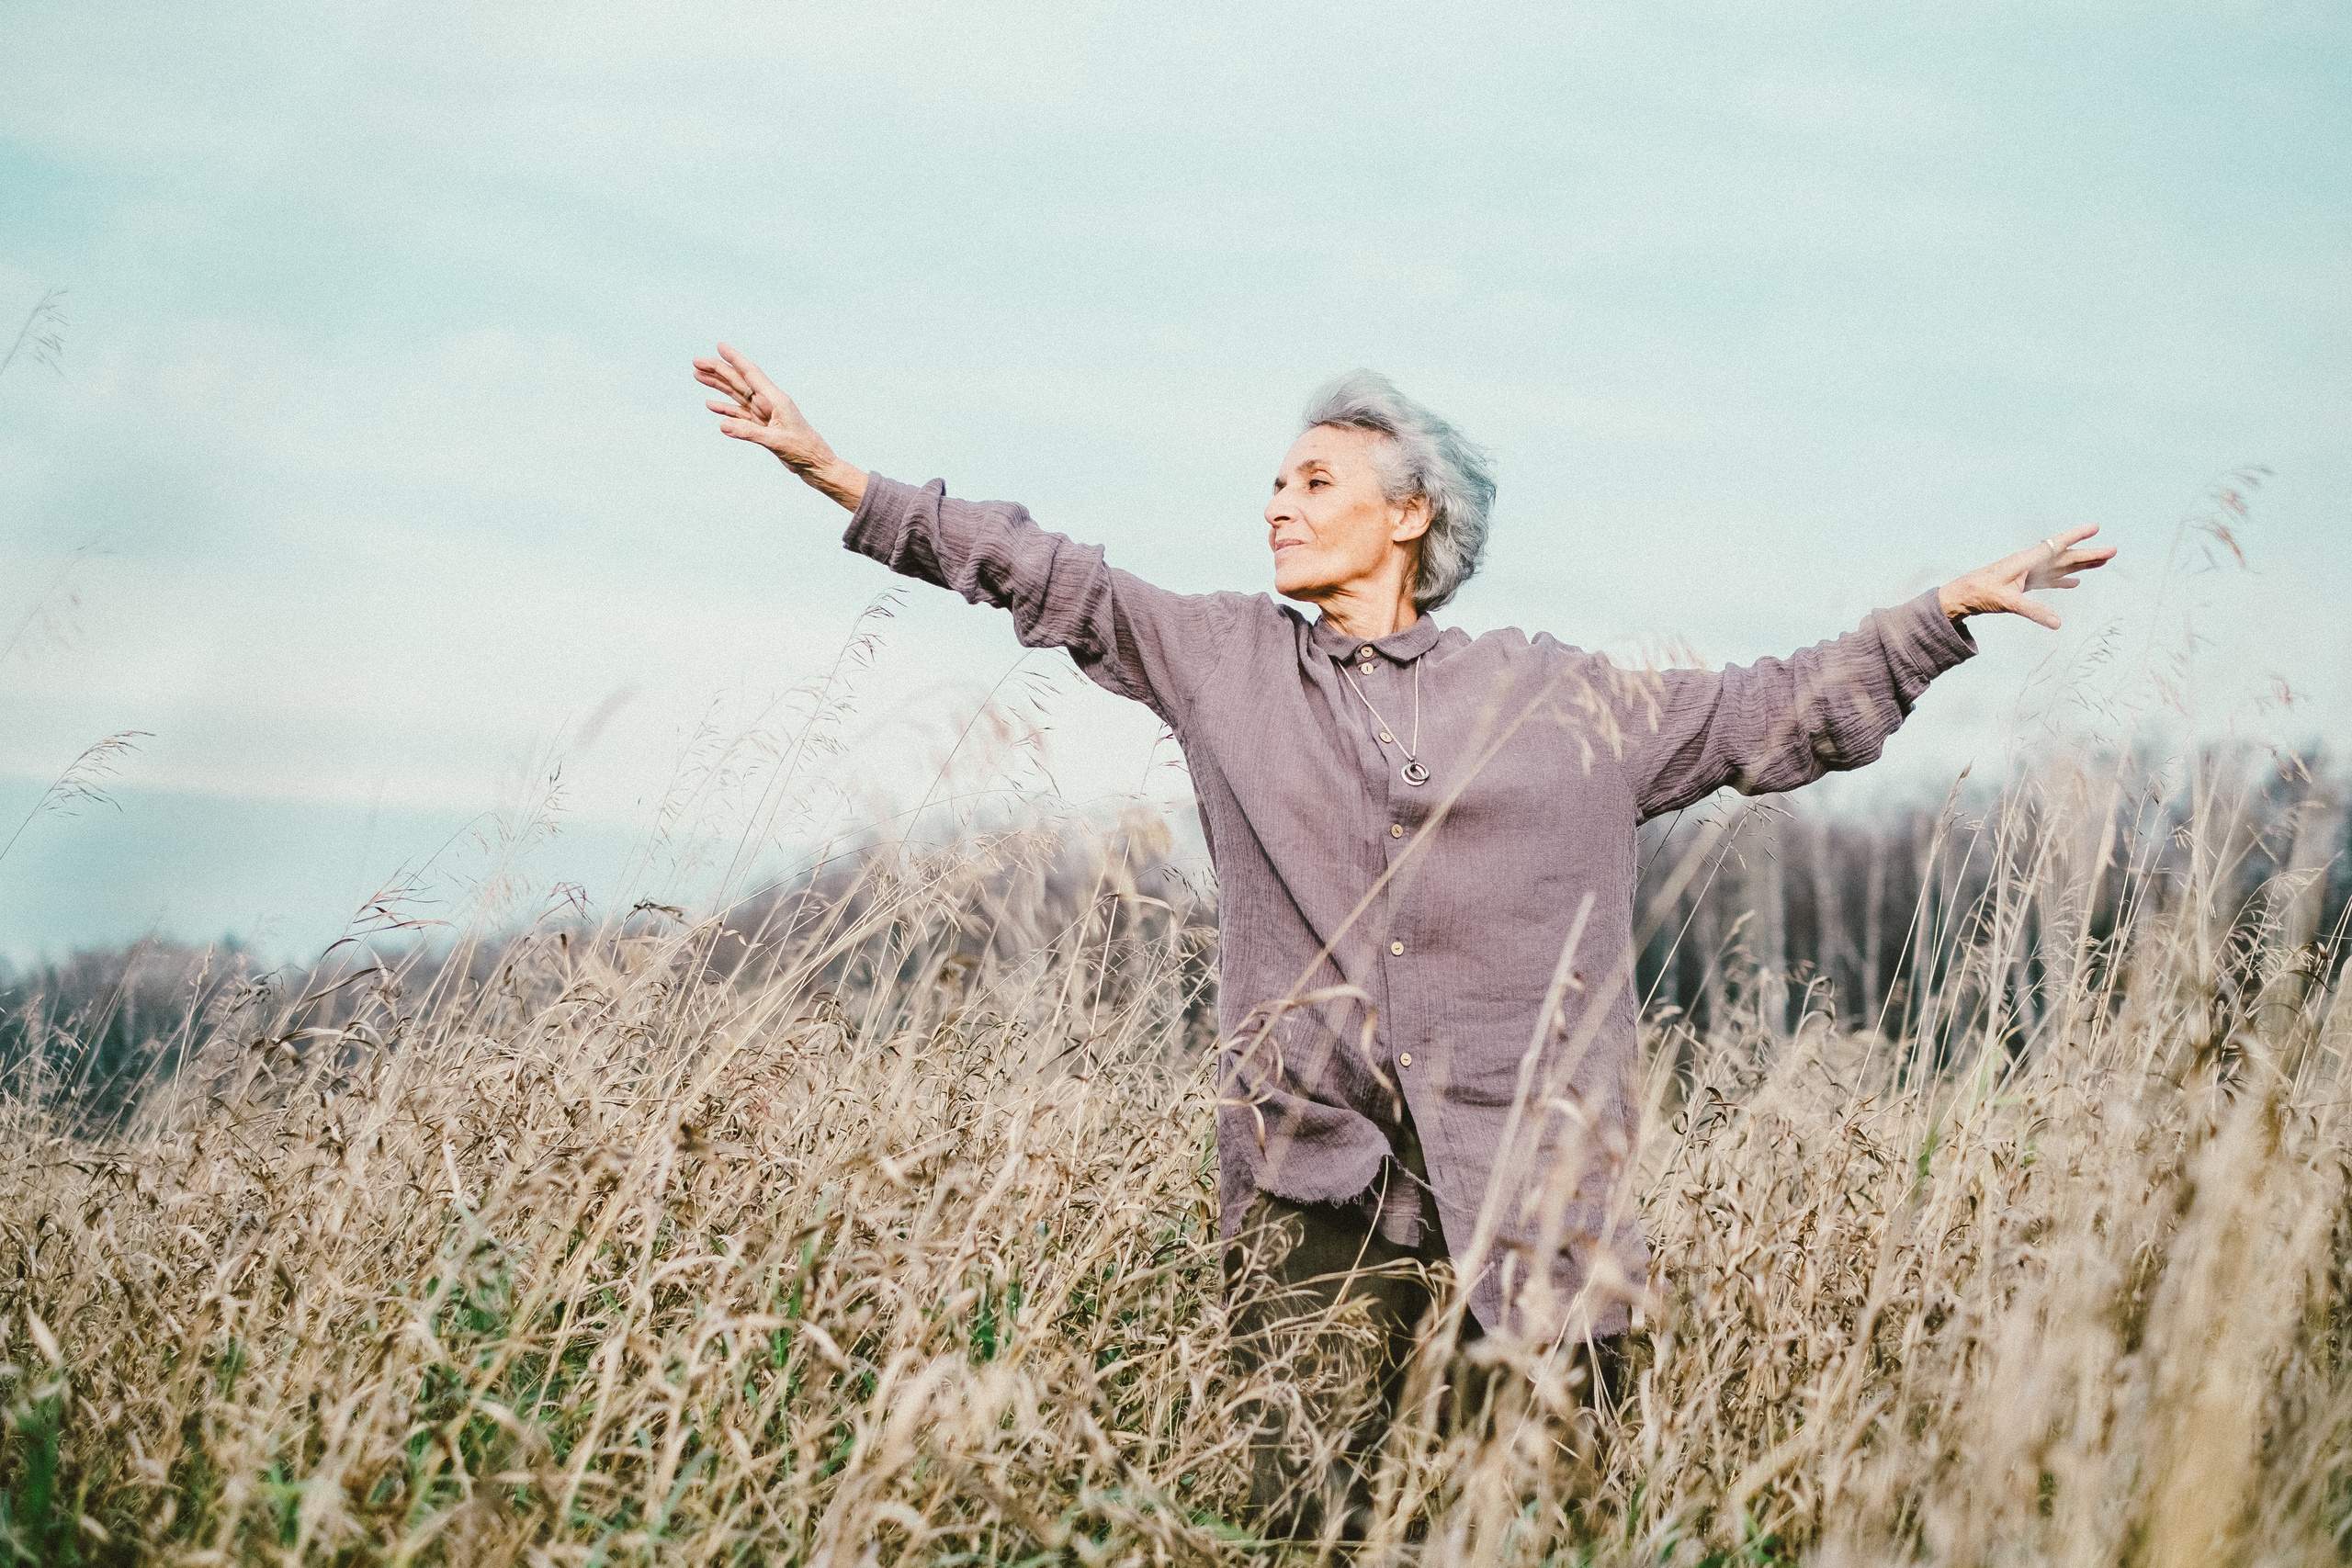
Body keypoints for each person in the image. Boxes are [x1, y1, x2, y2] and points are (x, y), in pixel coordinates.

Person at [690, 344, 2115, 1535]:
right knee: (1290, 1514)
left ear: (1411, 513)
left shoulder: (1562, 698)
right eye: (1272, 483)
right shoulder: (1225, 660)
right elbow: (1041, 572)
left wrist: (1935, 620)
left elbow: (1769, 712)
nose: (1276, 508)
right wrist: (837, 473)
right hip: (1318, 1182)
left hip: (1539, 1201)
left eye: (1314, 482)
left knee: (1533, 1522)